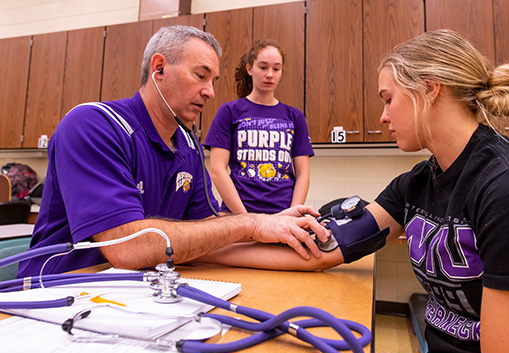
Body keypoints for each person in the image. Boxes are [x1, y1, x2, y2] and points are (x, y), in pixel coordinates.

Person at [197, 30, 509, 353]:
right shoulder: (417, 184)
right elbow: (320, 252)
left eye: (388, 98)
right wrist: (197, 252)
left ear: (429, 89)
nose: (383, 116)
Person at [18, 25, 328, 278]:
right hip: (55, 293)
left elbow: (209, 239)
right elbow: (128, 249)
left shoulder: (187, 147)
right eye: (200, 75)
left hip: (130, 293)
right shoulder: (92, 125)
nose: (210, 91)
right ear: (159, 67)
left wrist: (307, 254)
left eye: (213, 80)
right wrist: (253, 222)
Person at [204, 40, 313, 214]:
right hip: (239, 216)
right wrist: (246, 220)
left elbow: (303, 174)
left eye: (276, 69)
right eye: (263, 67)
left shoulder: (295, 117)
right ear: (249, 69)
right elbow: (217, 170)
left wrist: (292, 216)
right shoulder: (229, 111)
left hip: (282, 216)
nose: (270, 74)